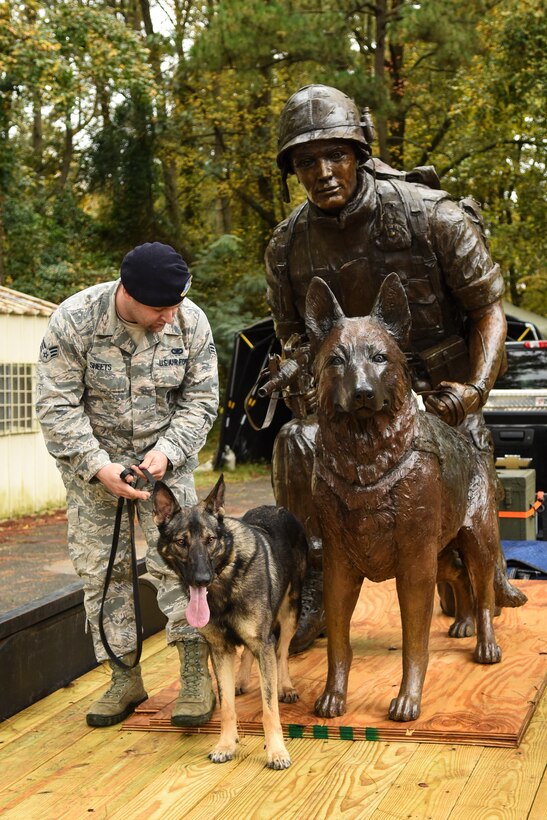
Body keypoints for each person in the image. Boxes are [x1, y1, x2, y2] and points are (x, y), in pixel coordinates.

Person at [265, 85, 507, 651]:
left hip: (443, 399)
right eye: (306, 162)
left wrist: (472, 391)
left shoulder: (432, 216)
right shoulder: (286, 247)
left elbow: (487, 308)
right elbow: (294, 337)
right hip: (352, 403)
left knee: (462, 531)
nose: (323, 172)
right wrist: (303, 380)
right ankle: (315, 584)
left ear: (361, 153)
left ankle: (475, 583)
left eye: (337, 155)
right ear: (293, 171)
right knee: (294, 444)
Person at [36, 242, 219, 728]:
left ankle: (195, 674)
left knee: (180, 565)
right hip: (95, 472)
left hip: (167, 471)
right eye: (159, 309)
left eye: (175, 305)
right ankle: (122, 677)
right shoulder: (74, 321)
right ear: (127, 294)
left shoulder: (190, 321)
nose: (169, 317)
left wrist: (169, 453)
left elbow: (201, 401)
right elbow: (56, 407)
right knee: (102, 573)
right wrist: (98, 466)